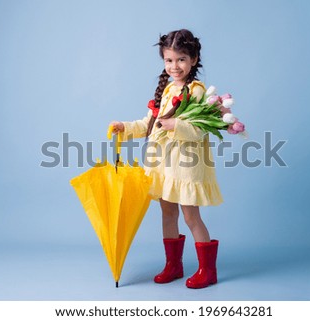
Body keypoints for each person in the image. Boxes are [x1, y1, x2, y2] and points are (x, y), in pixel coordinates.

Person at [110, 29, 222, 289]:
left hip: (185, 164)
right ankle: (174, 265)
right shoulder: (167, 89)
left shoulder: (196, 91)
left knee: (191, 216)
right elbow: (148, 124)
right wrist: (124, 127)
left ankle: (208, 270)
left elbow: (199, 129)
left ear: (193, 59)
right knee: (167, 213)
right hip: (163, 164)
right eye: (169, 60)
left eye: (181, 59)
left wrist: (173, 124)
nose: (175, 66)